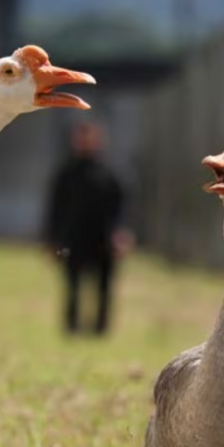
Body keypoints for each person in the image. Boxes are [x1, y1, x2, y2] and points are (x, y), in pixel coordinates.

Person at [44, 121, 129, 335]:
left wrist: (121, 235)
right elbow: (54, 209)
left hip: (103, 240)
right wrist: (51, 239)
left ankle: (100, 329)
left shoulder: (110, 174)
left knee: (103, 289)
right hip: (73, 241)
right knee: (72, 287)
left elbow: (122, 209)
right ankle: (71, 327)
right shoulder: (65, 175)